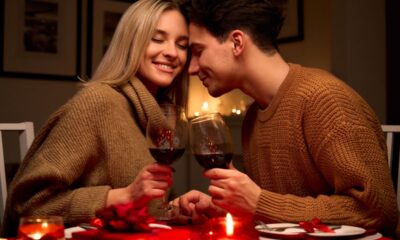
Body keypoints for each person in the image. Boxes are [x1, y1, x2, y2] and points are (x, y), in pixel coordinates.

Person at [173, 0, 398, 235]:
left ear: (237, 43)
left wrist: (259, 202)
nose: (191, 68)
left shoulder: (324, 99)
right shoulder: (253, 116)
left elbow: (378, 211)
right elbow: (279, 211)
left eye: (198, 52)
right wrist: (223, 207)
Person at [0, 0, 190, 237]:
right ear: (130, 43)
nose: (172, 53)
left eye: (182, 45)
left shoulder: (157, 114)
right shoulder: (98, 102)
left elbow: (141, 207)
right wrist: (122, 196)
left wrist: (174, 208)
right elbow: (28, 204)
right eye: (157, 39)